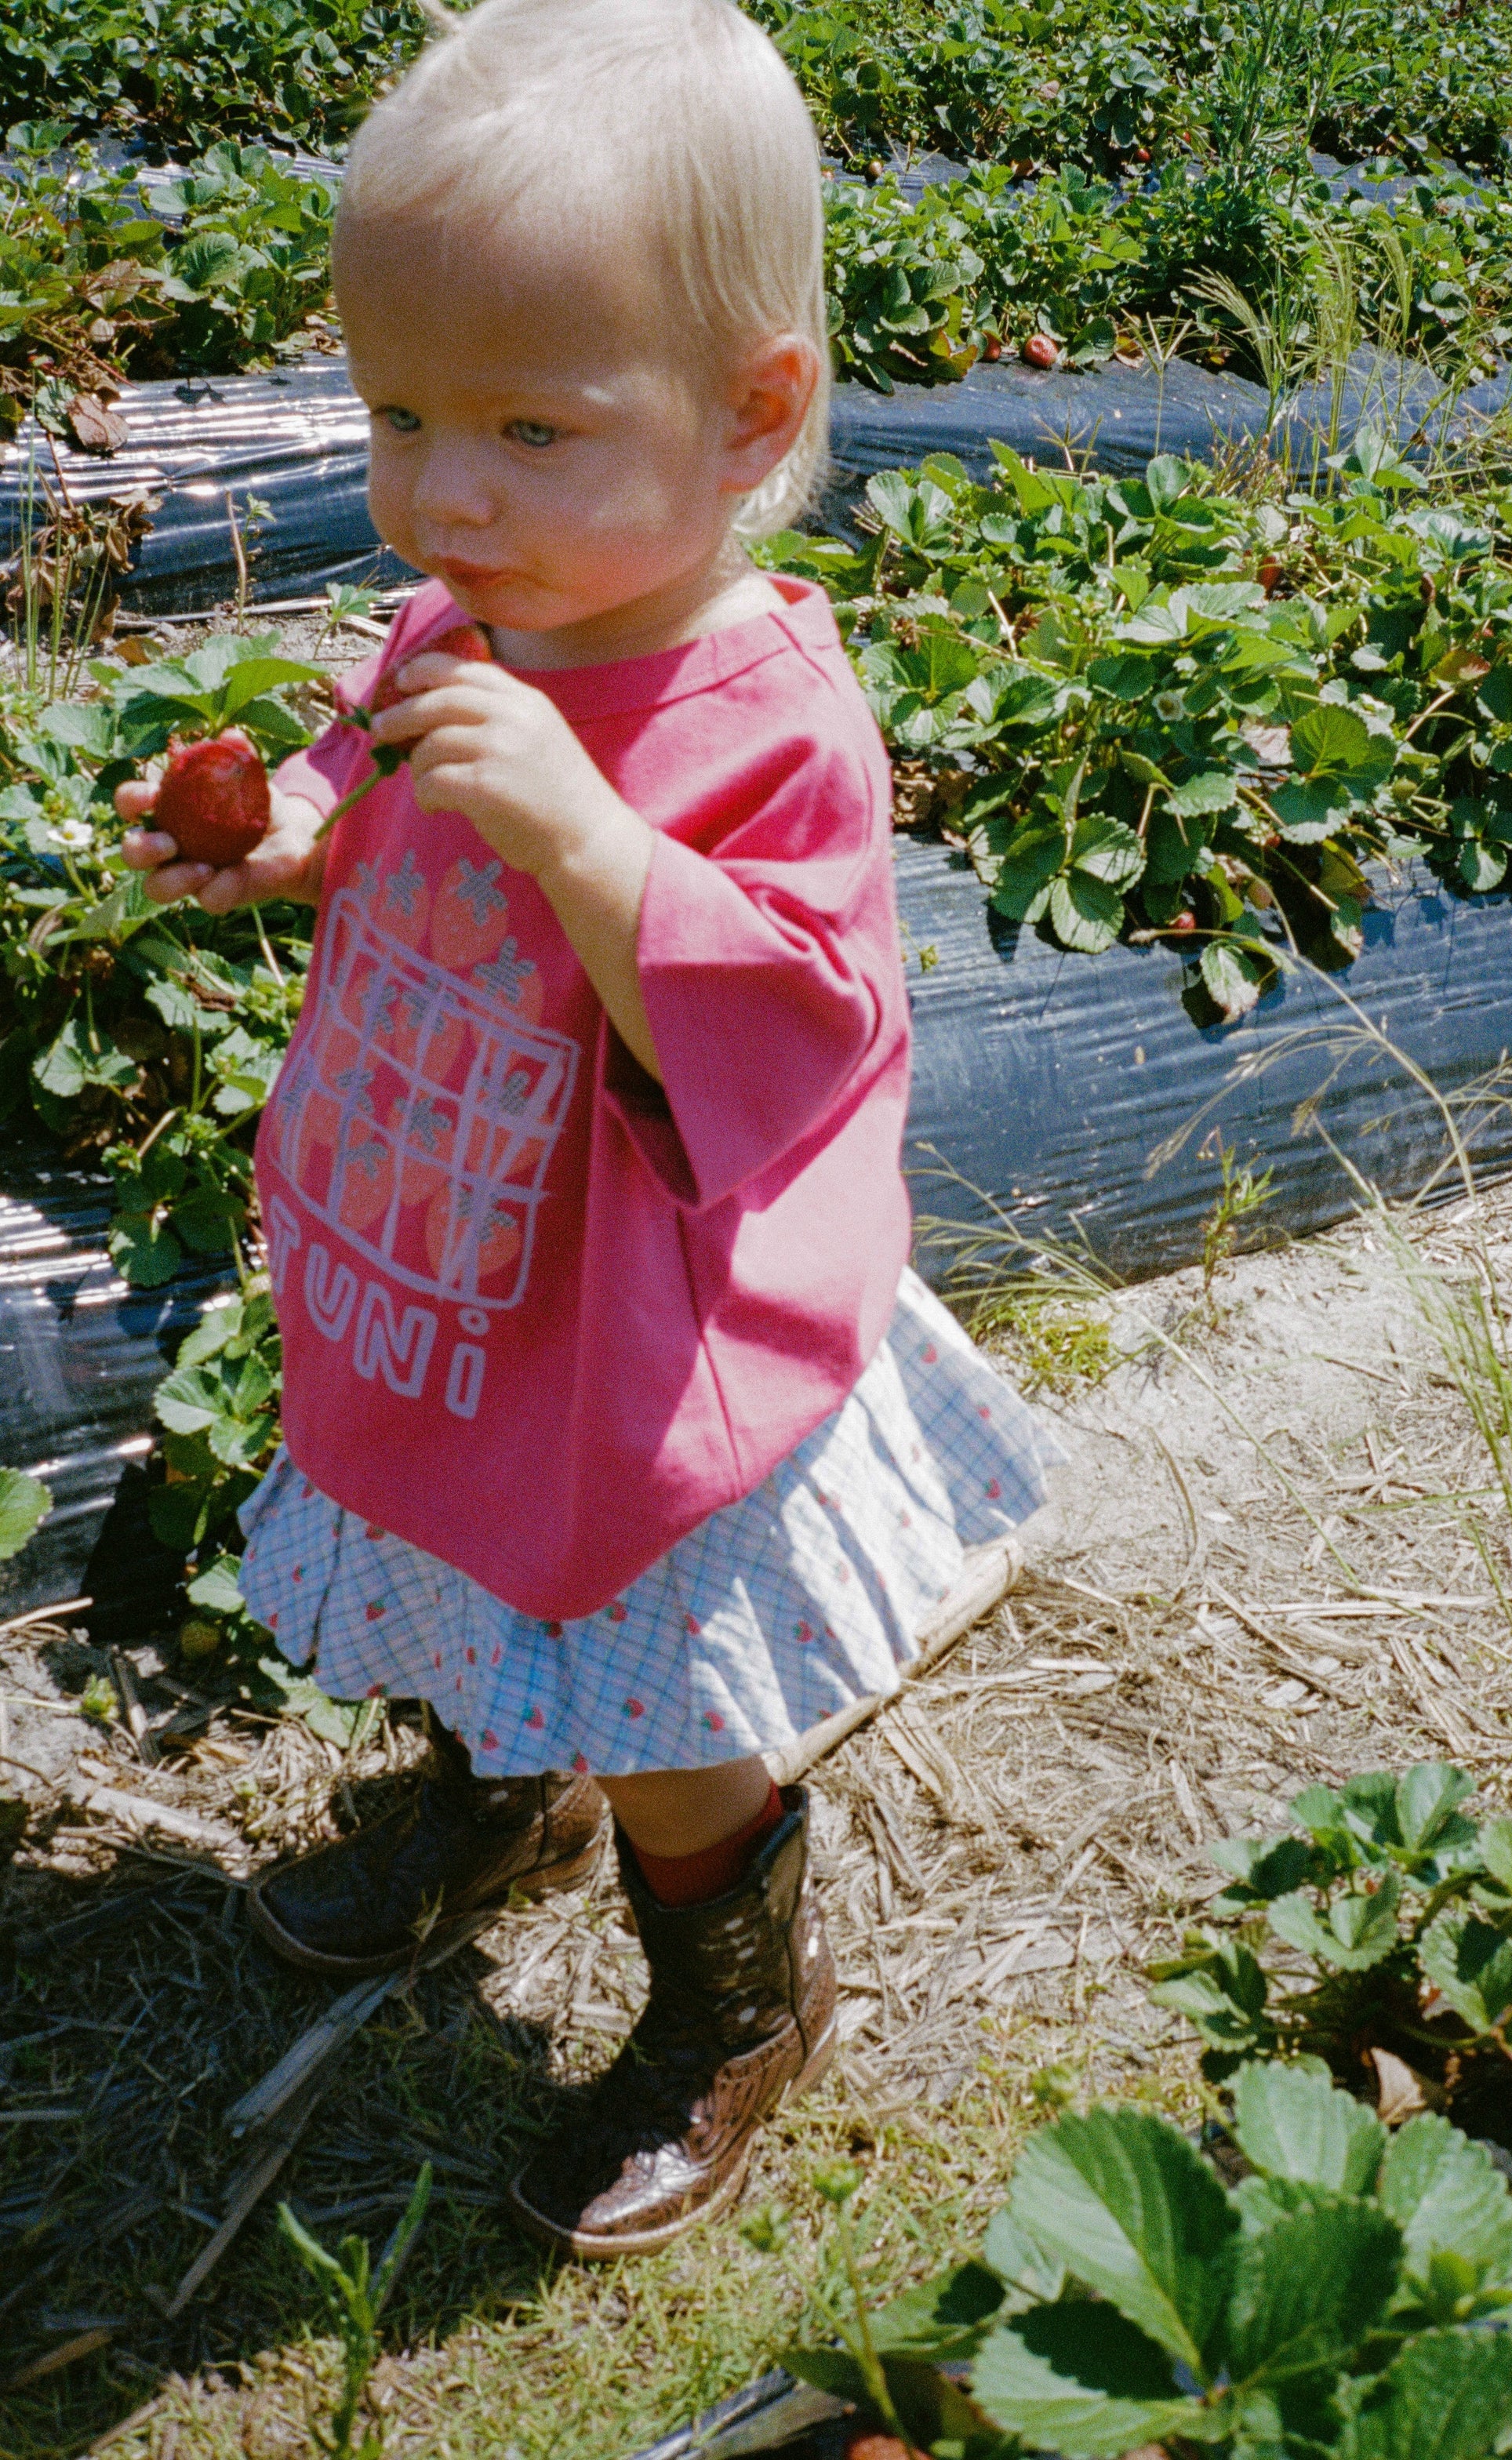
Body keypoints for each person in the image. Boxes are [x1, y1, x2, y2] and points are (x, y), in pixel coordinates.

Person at [118, 0, 1058, 2259]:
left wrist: (594, 848)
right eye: (399, 412)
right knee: (448, 1537)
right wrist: (287, 840)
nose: (443, 491)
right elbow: (374, 760)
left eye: (530, 422)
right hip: (455, 1241)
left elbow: (789, 1021)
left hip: (634, 1319)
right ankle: (486, 1798)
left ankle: (732, 1995)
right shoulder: (486, 603)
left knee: (648, 1665)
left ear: (754, 417)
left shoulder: (767, 712)